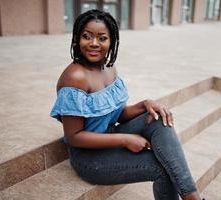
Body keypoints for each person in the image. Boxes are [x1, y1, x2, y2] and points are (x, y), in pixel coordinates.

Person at [50, 9, 202, 200]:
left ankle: (191, 196)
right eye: (86, 36)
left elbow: (117, 114)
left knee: (158, 119)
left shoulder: (109, 67)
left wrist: (145, 104)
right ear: (76, 39)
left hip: (109, 136)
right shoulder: (75, 77)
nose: (94, 43)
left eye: (102, 38)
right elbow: (74, 137)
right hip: (89, 158)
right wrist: (125, 139)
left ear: (111, 41)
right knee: (163, 167)